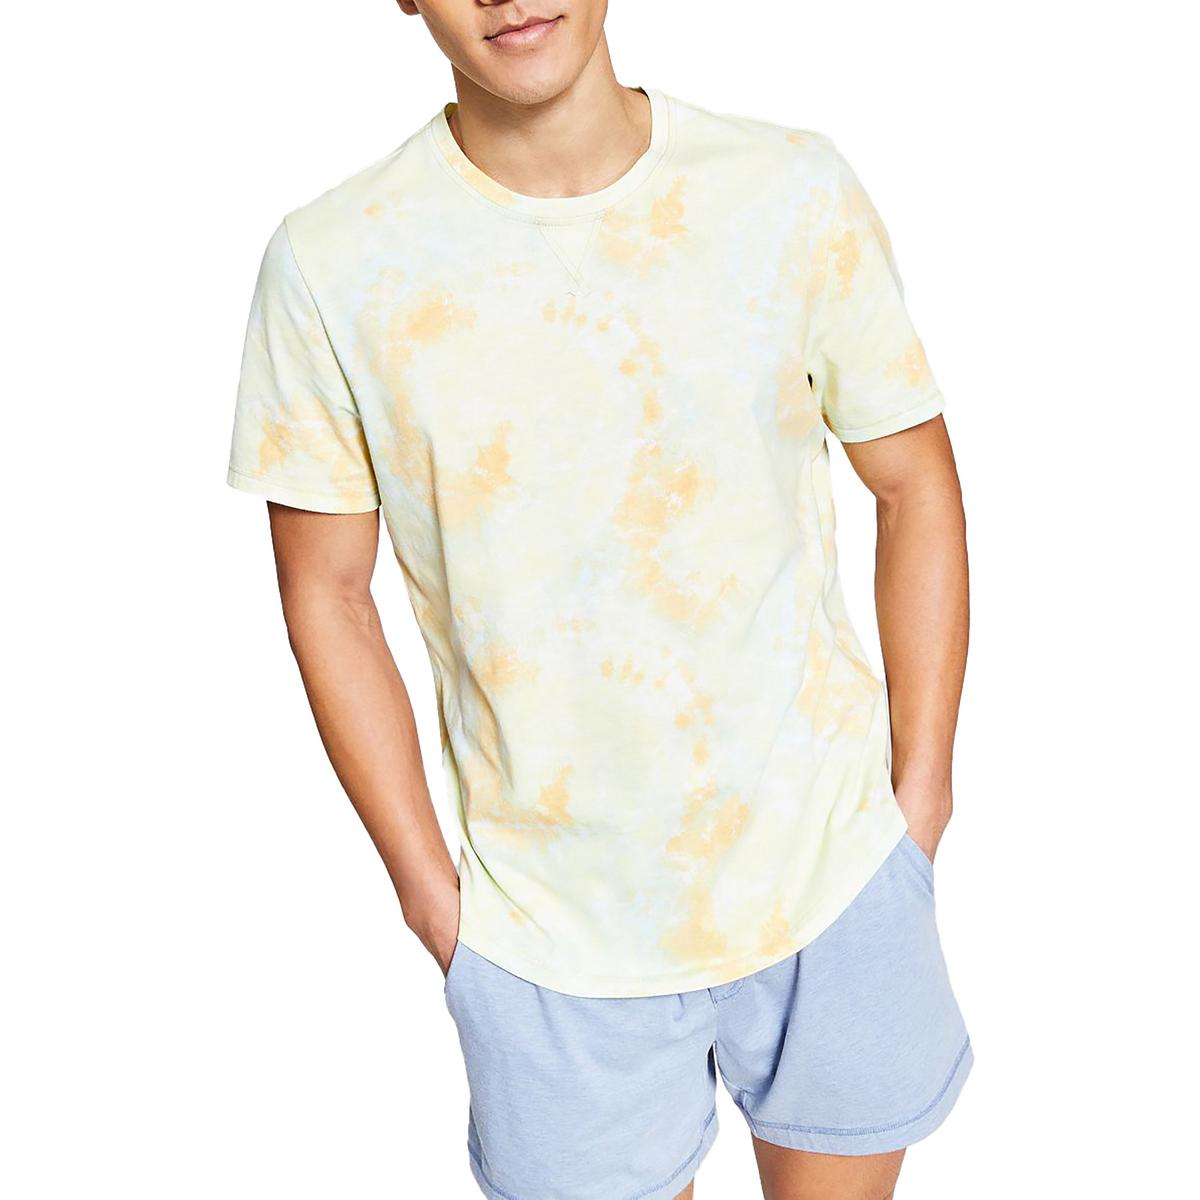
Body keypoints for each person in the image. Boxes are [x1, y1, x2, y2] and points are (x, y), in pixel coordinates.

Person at [226, 2, 972, 1196]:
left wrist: (921, 792)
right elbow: (327, 593)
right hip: (547, 937)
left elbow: (911, 479)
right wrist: (430, 898)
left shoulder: (787, 188)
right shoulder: (333, 263)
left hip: (830, 874)